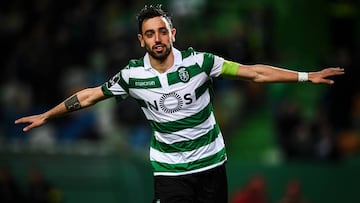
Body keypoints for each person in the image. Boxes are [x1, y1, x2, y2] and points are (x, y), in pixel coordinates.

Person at [15, 4, 344, 203]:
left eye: (162, 32)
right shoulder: (132, 76)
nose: (157, 39)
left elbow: (254, 73)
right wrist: (48, 114)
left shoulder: (201, 62)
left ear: (172, 33)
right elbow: (88, 95)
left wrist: (305, 76)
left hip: (211, 165)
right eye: (149, 34)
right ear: (140, 40)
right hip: (170, 172)